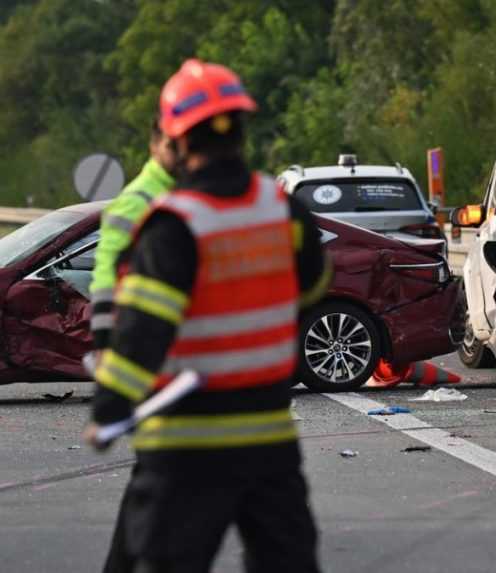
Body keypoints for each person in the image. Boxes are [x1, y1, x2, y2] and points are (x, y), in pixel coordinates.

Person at [84, 58, 332, 572]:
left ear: (178, 141)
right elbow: (313, 285)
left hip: (186, 444)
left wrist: (110, 406)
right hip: (268, 438)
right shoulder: (281, 208)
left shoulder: (174, 224)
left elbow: (143, 334)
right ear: (241, 131)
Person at [90, 119, 176, 350]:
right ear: (154, 145)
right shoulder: (136, 200)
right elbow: (107, 276)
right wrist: (104, 341)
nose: (182, 154)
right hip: (147, 338)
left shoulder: (192, 188)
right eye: (173, 145)